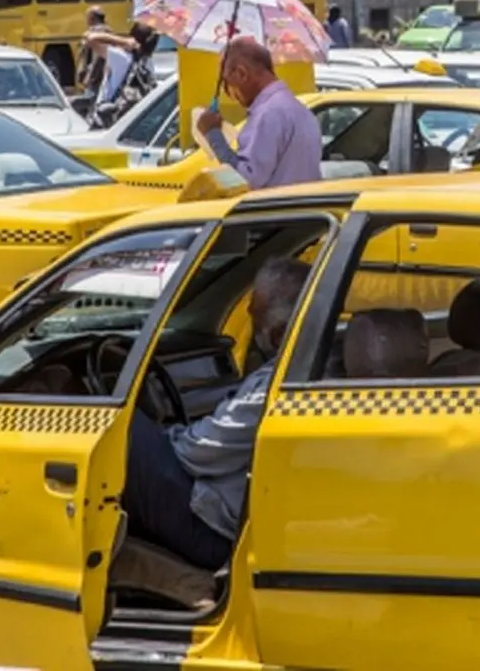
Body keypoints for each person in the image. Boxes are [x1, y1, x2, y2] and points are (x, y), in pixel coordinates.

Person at [119, 256, 312, 571]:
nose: (248, 315)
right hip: (244, 514)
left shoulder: (278, 385)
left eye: (256, 314)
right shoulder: (311, 366)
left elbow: (196, 453)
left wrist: (162, 435)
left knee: (120, 429)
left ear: (277, 335)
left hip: (215, 529)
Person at [195, 35, 322, 190]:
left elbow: (244, 180)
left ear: (241, 74)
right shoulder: (299, 110)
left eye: (227, 84)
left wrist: (214, 135)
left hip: (276, 212)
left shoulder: (268, 114)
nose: (230, 95)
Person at [79, 6, 112, 95]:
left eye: (87, 17)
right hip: (107, 77)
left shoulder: (93, 33)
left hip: (94, 79)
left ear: (92, 18)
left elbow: (95, 58)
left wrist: (89, 77)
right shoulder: (109, 32)